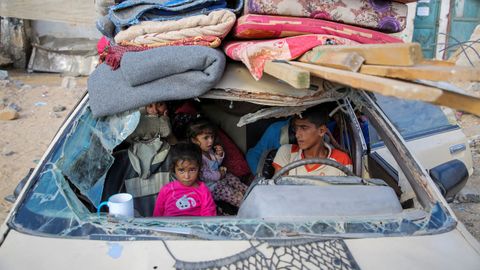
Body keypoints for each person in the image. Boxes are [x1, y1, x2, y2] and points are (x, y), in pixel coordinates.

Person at [273, 107, 352, 176]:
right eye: (296, 128)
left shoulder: (342, 160)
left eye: (304, 128)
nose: (297, 135)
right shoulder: (287, 152)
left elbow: (344, 193)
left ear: (321, 131)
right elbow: (279, 190)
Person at [188, 118, 248, 208]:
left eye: (212, 137)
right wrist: (220, 175)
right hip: (212, 187)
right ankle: (243, 203)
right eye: (206, 138)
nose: (211, 141)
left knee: (233, 178)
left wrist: (219, 155)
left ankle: (247, 191)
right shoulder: (197, 158)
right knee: (229, 192)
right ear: (194, 140)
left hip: (220, 178)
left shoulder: (209, 151)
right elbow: (204, 174)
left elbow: (216, 164)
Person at [152, 142, 216, 217]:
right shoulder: (166, 190)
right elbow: (157, 216)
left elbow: (208, 218)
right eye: (181, 170)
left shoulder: (203, 191)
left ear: (199, 168)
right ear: (174, 169)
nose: (187, 176)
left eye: (192, 170)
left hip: (194, 227)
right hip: (169, 227)